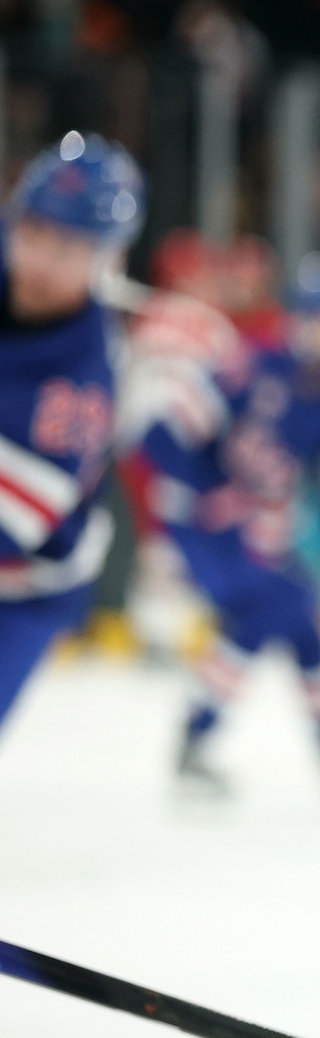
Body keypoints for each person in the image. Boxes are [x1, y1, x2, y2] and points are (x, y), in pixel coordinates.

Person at [139, 253, 320, 796]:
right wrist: (208, 493)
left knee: (303, 622)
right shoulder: (250, 366)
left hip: (254, 535)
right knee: (271, 606)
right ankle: (198, 741)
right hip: (199, 525)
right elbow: (159, 438)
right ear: (314, 321)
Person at [0, 131, 144, 729]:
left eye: (67, 247)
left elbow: (13, 522)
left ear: (106, 261)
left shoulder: (82, 390)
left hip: (24, 590)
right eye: (32, 232)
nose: (39, 259)